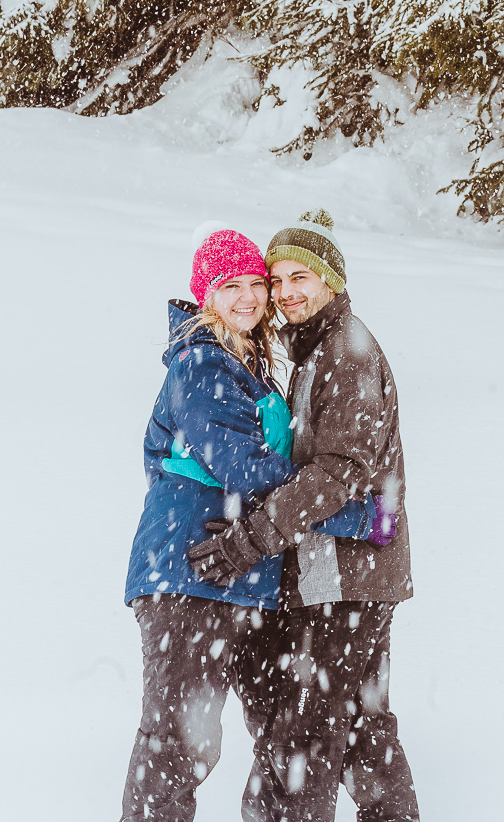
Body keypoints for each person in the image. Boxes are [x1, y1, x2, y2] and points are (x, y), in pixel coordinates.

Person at [122, 228, 377, 822]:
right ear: (205, 295)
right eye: (229, 286)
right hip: (189, 575)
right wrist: (355, 513)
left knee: (283, 739)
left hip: (249, 580)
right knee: (179, 744)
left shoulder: (253, 368)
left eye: (256, 285)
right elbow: (249, 469)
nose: (248, 297)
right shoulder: (200, 364)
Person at [188, 211, 418, 822]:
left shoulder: (348, 350)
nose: (287, 291)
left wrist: (252, 540)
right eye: (278, 279)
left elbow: (337, 473)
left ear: (331, 283)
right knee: (363, 732)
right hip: (349, 574)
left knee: (305, 738)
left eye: (301, 278)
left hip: (347, 578)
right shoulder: (317, 353)